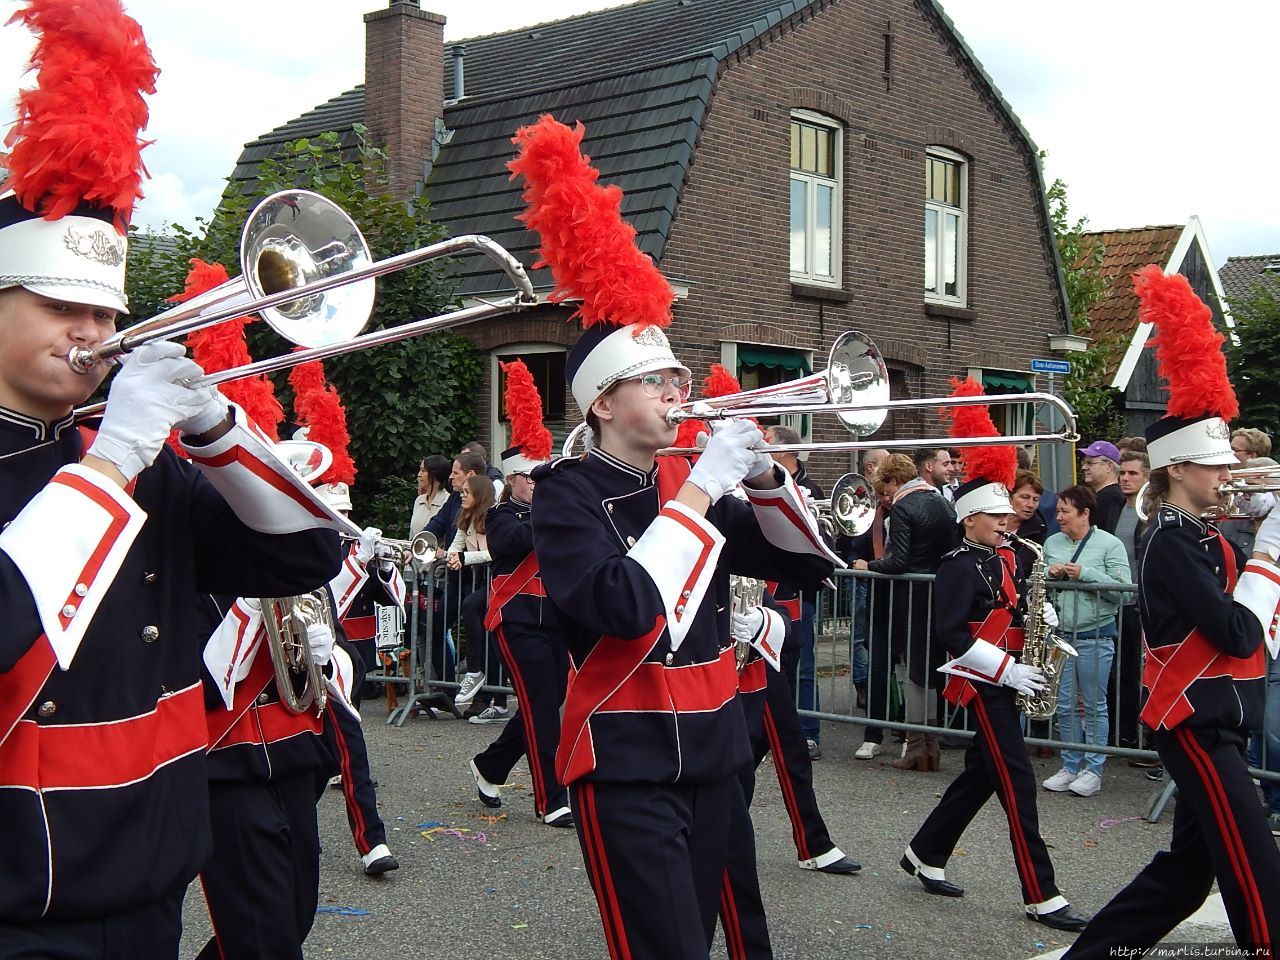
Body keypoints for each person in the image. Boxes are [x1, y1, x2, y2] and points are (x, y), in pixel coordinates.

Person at [0, 6, 342, 954]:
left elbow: (306, 551)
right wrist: (113, 454)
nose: (93, 332)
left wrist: (216, 428)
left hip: (152, 867)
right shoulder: (112, 461)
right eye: (60, 304)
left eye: (106, 310)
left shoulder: (146, 464)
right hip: (21, 885)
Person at [512, 114, 838, 960]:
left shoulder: (689, 487)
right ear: (601, 403)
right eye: (652, 380)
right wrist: (700, 485)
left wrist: (764, 476)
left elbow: (808, 567)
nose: (675, 391)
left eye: (676, 377)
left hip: (716, 754)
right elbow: (619, 605)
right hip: (624, 759)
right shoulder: (566, 495)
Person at [1063, 266, 1280, 959]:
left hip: (1215, 717)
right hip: (1193, 721)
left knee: (1186, 876)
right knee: (1255, 866)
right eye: (1216, 467)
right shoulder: (1170, 542)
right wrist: (1270, 551)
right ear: (1181, 468)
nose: (1227, 476)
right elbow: (1238, 629)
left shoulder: (1200, 535)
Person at [900, 383, 1089, 933]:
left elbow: (1014, 608)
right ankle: (1042, 894)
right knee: (1017, 780)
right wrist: (1006, 669)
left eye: (1009, 516)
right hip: (982, 679)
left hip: (1009, 674)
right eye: (997, 517)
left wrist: (1043, 624)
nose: (1009, 523)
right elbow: (950, 632)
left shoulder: (1006, 557)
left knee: (983, 775)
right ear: (968, 519)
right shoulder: (959, 564)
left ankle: (925, 852)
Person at [468, 359, 572, 826]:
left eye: (541, 476)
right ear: (512, 479)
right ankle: (551, 799)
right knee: (542, 712)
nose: (538, 483)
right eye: (532, 477)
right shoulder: (502, 516)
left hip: (555, 621)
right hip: (516, 620)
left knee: (544, 705)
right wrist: (552, 512)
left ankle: (491, 764)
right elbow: (517, 544)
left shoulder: (548, 511)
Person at [853, 452, 957, 770]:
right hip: (934, 594)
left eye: (885, 488)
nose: (885, 495)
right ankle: (931, 746)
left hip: (907, 599)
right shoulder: (941, 501)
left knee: (912, 672)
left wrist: (867, 565)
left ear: (894, 480)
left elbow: (898, 561)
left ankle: (915, 747)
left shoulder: (904, 505)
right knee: (928, 672)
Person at [1040, 485, 1130, 797]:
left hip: (1096, 635)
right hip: (1060, 636)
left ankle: (1093, 770)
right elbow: (1039, 582)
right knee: (1063, 704)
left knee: (1093, 705)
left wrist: (1087, 574)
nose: (1059, 516)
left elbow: (1124, 591)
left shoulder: (1110, 544)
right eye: (1059, 510)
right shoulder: (1052, 542)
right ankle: (1069, 764)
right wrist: (1049, 573)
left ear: (1085, 514)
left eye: (1065, 511)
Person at [763, 423, 826, 759]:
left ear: (783, 451)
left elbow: (822, 547)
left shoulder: (810, 488)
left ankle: (807, 733)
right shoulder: (756, 484)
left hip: (796, 593)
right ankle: (769, 731)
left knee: (802, 665)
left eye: (765, 443)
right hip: (765, 589)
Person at [1112, 450, 1149, 751]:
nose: (1125, 478)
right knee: (1119, 670)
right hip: (1115, 600)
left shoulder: (1150, 512)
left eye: (1132, 473)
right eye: (1122, 473)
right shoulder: (1114, 507)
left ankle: (1141, 735)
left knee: (1138, 672)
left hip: (1140, 601)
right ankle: (1123, 731)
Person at [1078, 440, 1124, 533]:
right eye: (1084, 463)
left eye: (1090, 463)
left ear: (1109, 466)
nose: (1084, 467)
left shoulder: (1111, 498)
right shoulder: (1109, 496)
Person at [410, 453, 451, 537]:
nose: (419, 474)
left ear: (435, 475)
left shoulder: (448, 501)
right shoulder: (419, 500)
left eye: (423, 470)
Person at [1006, 470, 1046, 543]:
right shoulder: (987, 519)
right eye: (1025, 497)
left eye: (1035, 500)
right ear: (1009, 496)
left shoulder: (1038, 530)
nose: (1031, 504)